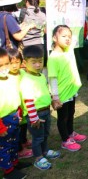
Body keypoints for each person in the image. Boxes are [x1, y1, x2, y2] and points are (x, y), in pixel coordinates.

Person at [20, 45, 61, 171]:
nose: (38, 65)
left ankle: (45, 151)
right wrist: (33, 118)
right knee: (37, 137)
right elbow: (28, 100)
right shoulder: (26, 79)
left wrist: (52, 101)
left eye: (40, 61)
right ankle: (38, 158)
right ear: (25, 63)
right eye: (34, 62)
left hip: (45, 111)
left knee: (45, 134)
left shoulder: (41, 76)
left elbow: (44, 91)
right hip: (35, 115)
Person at [47, 25, 87, 152]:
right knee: (63, 117)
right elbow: (52, 79)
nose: (67, 39)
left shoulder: (68, 51)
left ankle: (70, 133)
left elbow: (74, 38)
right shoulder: (53, 57)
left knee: (71, 113)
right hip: (61, 93)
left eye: (69, 36)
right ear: (54, 38)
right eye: (63, 36)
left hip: (71, 91)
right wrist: (55, 97)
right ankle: (65, 140)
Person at [0, 47, 28, 179]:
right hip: (3, 121)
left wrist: (19, 111)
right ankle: (8, 171)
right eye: (1, 65)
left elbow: (13, 96)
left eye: (6, 63)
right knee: (4, 146)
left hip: (14, 117)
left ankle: (15, 163)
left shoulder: (9, 78)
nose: (5, 67)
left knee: (14, 142)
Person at [7, 49, 33, 159]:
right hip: (14, 108)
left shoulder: (23, 73)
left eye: (17, 62)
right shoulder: (7, 77)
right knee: (16, 129)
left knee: (24, 125)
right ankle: (20, 150)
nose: (14, 66)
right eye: (11, 63)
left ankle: (24, 141)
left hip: (24, 106)